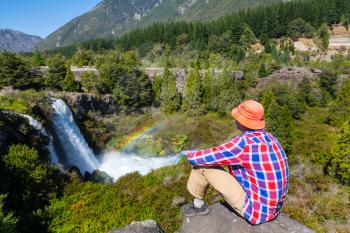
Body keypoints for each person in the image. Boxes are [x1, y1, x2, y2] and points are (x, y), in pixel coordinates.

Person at [182, 100, 289, 225]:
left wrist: (189, 155)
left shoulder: (244, 143)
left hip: (255, 211)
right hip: (273, 209)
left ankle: (198, 206)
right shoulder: (271, 138)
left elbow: (205, 157)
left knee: (200, 166)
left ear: (242, 121)